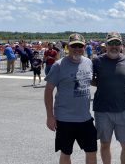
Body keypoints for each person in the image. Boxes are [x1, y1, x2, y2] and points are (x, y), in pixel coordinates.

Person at [44, 33, 97, 164]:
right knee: (65, 152)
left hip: (85, 118)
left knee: (92, 151)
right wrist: (50, 116)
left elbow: (91, 81)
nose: (77, 49)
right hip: (64, 119)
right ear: (68, 47)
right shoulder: (59, 65)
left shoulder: (89, 62)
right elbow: (48, 90)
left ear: (84, 47)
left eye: (80, 46)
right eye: (74, 46)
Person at [92, 31, 125, 164]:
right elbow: (90, 79)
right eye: (111, 43)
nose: (114, 46)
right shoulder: (97, 61)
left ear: (121, 45)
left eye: (117, 43)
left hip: (124, 109)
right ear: (106, 45)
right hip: (102, 110)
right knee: (105, 144)